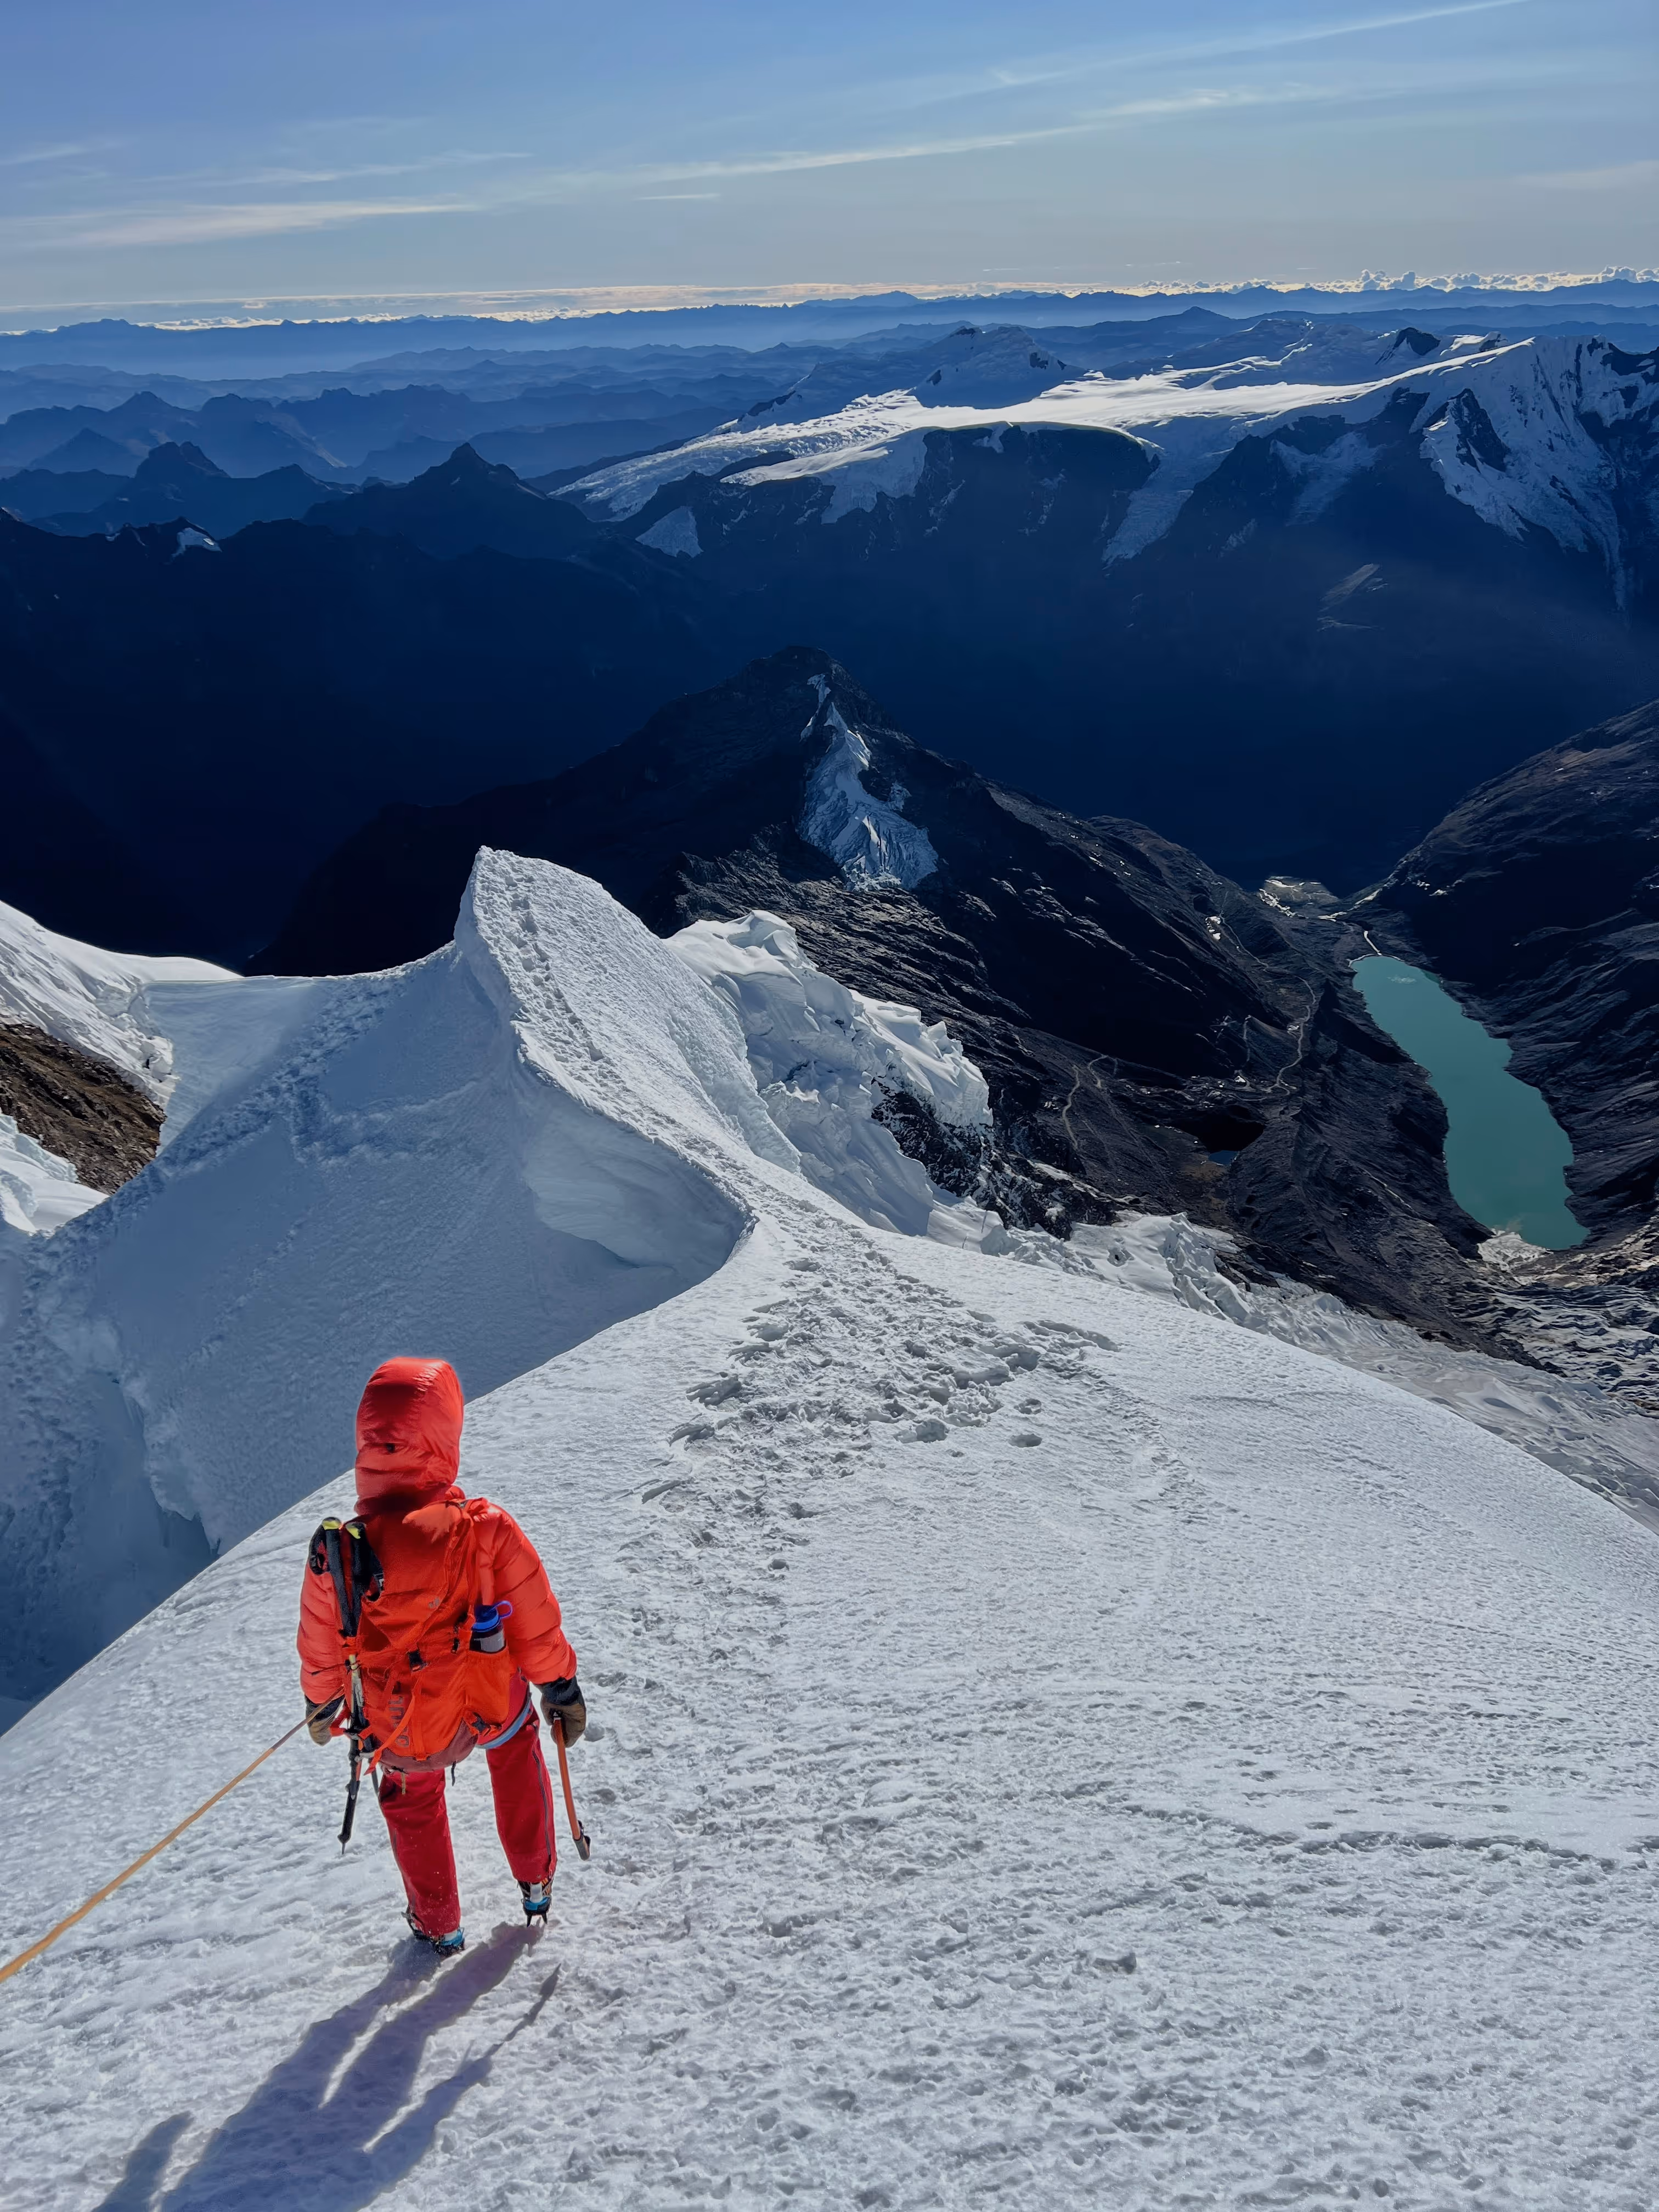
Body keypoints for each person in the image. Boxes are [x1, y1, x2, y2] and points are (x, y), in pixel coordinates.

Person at [297, 1356, 586, 1957]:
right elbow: (532, 1618)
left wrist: (320, 1701)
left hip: (397, 1719)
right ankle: (535, 1881)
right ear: (443, 1438)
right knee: (514, 1746)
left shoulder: (339, 1553)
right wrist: (559, 1684)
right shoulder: (484, 1528)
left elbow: (322, 1640)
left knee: (411, 1798)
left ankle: (439, 1925)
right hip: (483, 1699)